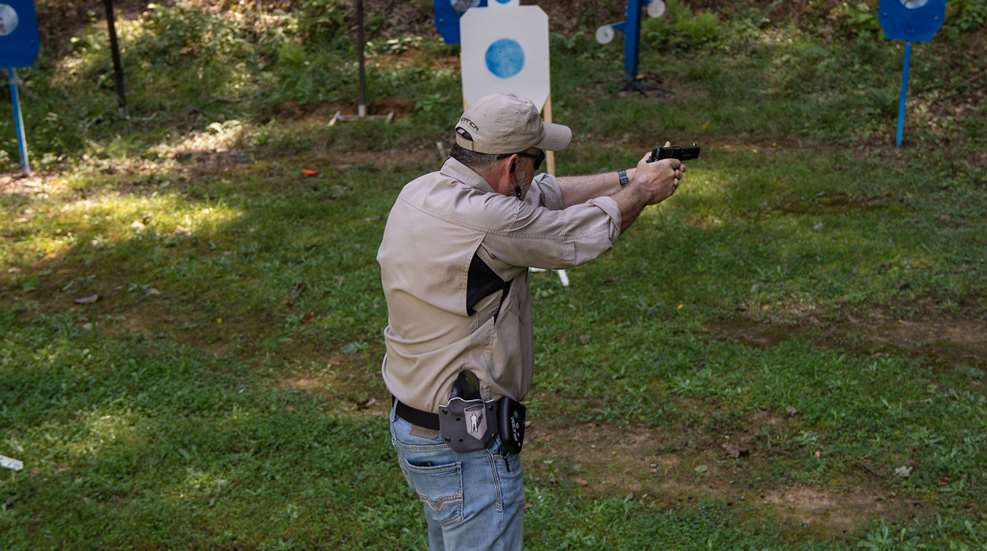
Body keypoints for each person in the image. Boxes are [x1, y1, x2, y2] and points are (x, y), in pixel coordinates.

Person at [376, 93, 685, 550]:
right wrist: (642, 191)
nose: (537, 173)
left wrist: (626, 176)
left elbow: (547, 195)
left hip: (420, 429)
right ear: (513, 164)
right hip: (470, 446)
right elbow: (581, 233)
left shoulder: (421, 192)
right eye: (535, 162)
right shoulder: (492, 221)